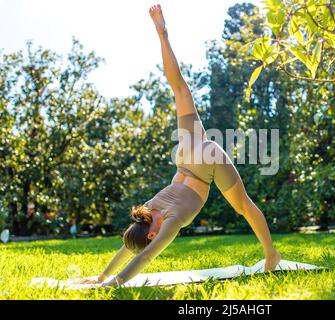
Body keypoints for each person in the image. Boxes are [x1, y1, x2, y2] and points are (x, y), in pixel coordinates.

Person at [79, 4, 281, 288]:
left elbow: (145, 256)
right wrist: (102, 276)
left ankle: (272, 254)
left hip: (206, 162)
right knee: (180, 89)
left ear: (150, 234)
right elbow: (129, 244)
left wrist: (112, 282)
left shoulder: (169, 221)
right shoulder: (148, 209)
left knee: (243, 206)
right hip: (188, 154)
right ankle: (163, 35)